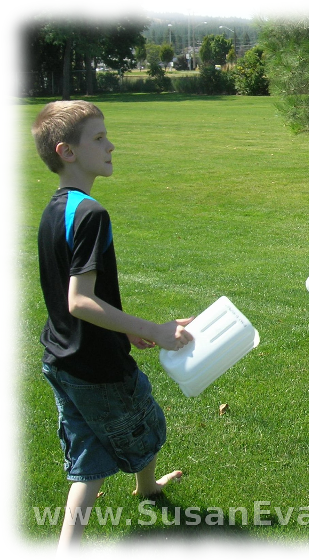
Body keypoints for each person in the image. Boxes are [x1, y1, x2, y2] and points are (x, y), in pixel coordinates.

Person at [32, 100, 194, 549]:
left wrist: (128, 330)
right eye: (99, 138)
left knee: (89, 457)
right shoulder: (91, 214)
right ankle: (143, 485)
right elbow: (80, 301)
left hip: (62, 360)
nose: (112, 145)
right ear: (67, 151)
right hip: (97, 368)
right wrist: (157, 330)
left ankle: (73, 544)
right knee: (146, 419)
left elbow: (78, 305)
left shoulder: (57, 208)